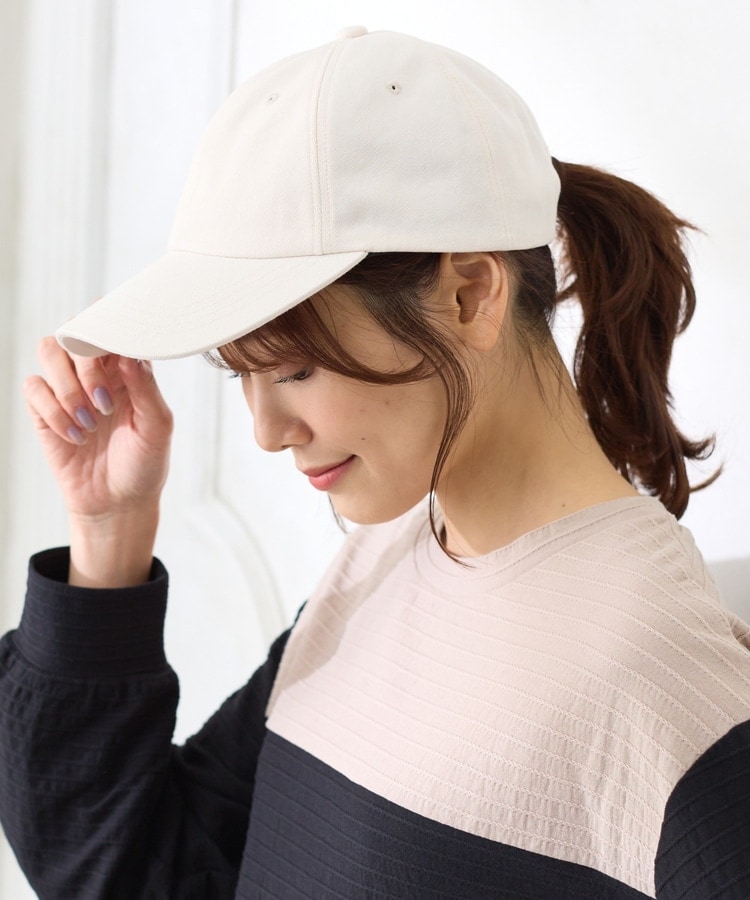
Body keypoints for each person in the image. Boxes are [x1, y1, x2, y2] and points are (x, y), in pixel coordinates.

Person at [0, 26, 748, 900]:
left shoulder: (661, 685)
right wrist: (110, 529)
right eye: (242, 374)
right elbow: (132, 872)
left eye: (294, 369)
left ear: (471, 294)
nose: (266, 431)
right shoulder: (385, 562)